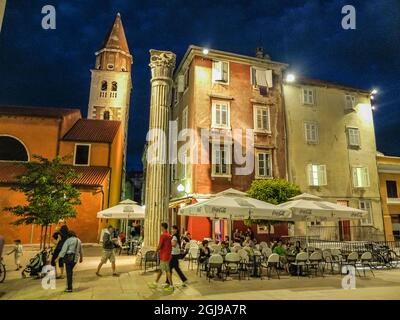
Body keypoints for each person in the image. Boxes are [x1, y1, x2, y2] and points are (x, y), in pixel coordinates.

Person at [148, 222, 173, 292]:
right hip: (167, 255)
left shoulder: (163, 235)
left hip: (164, 255)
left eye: (161, 227)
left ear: (163, 227)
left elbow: (160, 245)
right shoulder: (169, 235)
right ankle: (155, 282)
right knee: (161, 270)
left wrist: (155, 253)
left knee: (167, 270)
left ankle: (171, 286)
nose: (160, 228)